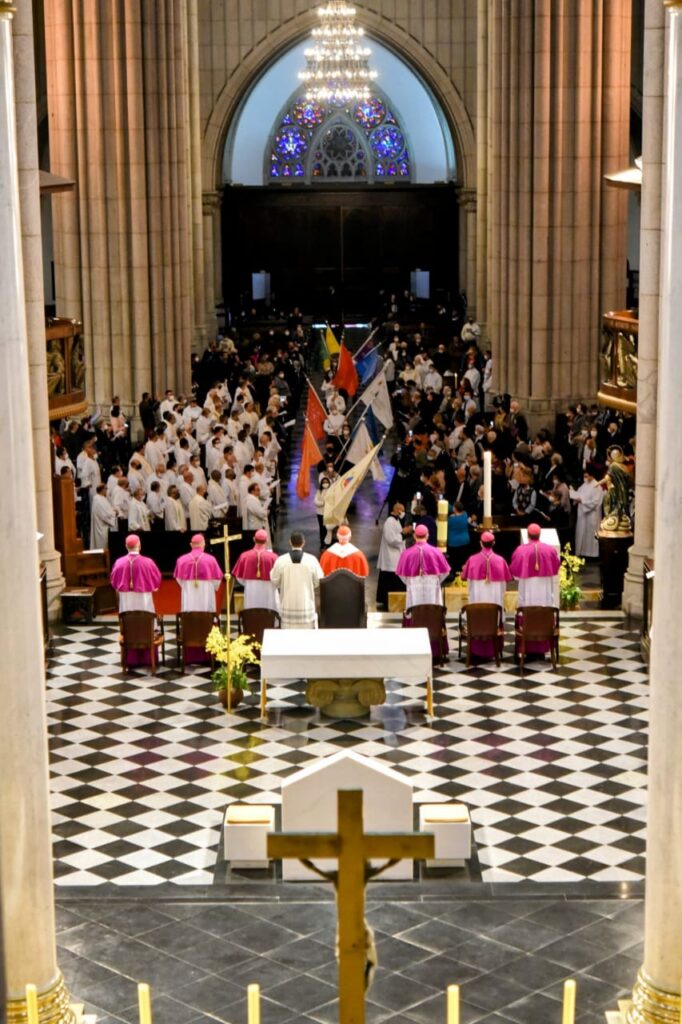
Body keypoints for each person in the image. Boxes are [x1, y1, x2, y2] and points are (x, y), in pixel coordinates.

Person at [270, 532, 324, 629]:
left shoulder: (281, 560)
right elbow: (318, 580)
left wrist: (283, 585)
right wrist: (309, 586)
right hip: (306, 606)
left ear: (290, 542)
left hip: (287, 605)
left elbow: (274, 580)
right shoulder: (311, 560)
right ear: (303, 543)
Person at [395, 523, 450, 610]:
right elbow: (446, 572)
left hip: (414, 585)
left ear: (414, 536)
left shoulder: (406, 553)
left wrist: (409, 582)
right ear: (427, 536)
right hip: (432, 585)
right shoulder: (436, 552)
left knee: (415, 610)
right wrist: (437, 580)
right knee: (431, 610)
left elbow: (401, 574)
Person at [510, 522, 561, 607]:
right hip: (545, 588)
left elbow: (514, 570)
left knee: (526, 606)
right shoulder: (550, 550)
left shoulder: (520, 550)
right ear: (540, 534)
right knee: (545, 605)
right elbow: (556, 567)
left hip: (527, 588)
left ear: (528, 535)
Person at [110, 534, 161, 614]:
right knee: (145, 615)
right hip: (144, 599)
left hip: (125, 600)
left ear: (126, 546)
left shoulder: (118, 562)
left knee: (127, 615)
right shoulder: (148, 562)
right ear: (139, 546)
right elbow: (156, 579)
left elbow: (113, 581)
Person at [376, 502, 413, 609]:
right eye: (403, 511)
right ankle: (388, 601)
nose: (403, 513)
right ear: (398, 510)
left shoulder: (396, 521)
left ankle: (395, 600)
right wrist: (403, 533)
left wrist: (405, 533)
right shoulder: (389, 522)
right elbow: (391, 539)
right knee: (391, 580)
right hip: (390, 557)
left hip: (395, 556)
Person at [461, 532, 512, 609]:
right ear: (494, 543)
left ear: (480, 543)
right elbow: (505, 583)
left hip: (477, 604)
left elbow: (465, 579)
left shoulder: (472, 560)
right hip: (495, 603)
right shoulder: (501, 560)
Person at [232, 530, 280, 611]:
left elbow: (239, 577)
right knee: (268, 612)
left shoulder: (244, 556)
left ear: (254, 539)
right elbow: (278, 578)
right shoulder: (273, 557)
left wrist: (247, 583)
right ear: (266, 541)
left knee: (252, 612)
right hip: (268, 589)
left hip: (251, 589)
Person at [173, 535, 223, 612]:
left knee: (189, 609)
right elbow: (217, 579)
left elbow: (179, 579)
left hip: (188, 589)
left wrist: (186, 584)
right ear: (203, 544)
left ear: (191, 545)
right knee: (206, 610)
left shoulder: (181, 560)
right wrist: (214, 586)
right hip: (206, 590)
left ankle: (189, 619)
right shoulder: (211, 559)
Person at [572, 469, 603, 558]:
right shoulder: (584, 485)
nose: (585, 478)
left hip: (591, 515)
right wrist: (575, 496)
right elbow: (578, 494)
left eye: (586, 476)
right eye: (584, 476)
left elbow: (596, 502)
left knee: (590, 535)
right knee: (581, 533)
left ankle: (592, 554)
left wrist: (583, 501)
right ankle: (581, 552)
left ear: (591, 475)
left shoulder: (597, 486)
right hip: (582, 514)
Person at [89, 484, 116, 549]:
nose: (107, 491)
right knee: (102, 543)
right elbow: (103, 514)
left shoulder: (102, 498)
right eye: (106, 489)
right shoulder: (98, 500)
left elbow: (107, 509)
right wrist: (114, 513)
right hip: (101, 525)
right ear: (102, 490)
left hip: (104, 524)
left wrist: (113, 511)